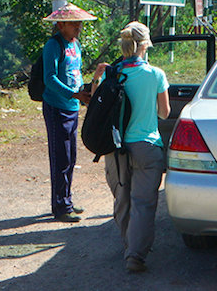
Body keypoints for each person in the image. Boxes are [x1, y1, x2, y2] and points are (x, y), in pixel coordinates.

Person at [91, 21, 170, 273]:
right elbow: (165, 113)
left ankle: (129, 246)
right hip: (147, 146)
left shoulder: (111, 73)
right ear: (145, 45)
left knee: (122, 199)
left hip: (116, 148)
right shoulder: (156, 74)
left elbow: (96, 105)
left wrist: (96, 78)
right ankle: (135, 254)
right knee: (143, 202)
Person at [40, 3, 95, 223]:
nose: (78, 27)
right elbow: (50, 78)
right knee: (60, 157)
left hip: (72, 107)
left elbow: (76, 72)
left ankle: (67, 200)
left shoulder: (75, 44)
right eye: (74, 23)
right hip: (57, 107)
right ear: (61, 24)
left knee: (71, 157)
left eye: (79, 23)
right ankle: (61, 207)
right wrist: (73, 94)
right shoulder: (53, 45)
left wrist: (84, 92)